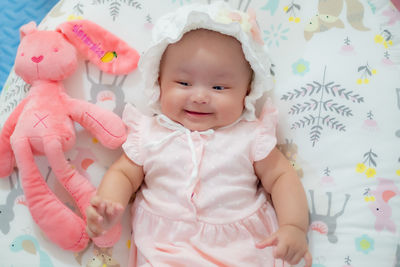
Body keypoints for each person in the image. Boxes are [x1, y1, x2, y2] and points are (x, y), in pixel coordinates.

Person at [86, 2, 312, 266]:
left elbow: (282, 177)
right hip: (166, 246)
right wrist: (110, 205)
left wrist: (294, 227)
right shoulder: (149, 133)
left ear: (246, 92)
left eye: (219, 87)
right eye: (183, 83)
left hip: (241, 246)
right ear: (159, 83)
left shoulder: (249, 136)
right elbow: (123, 173)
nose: (201, 97)